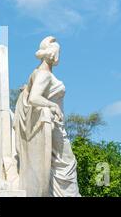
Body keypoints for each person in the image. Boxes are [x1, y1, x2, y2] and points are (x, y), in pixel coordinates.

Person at [13, 36, 81, 197]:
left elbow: (28, 94)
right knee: (67, 162)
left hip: (54, 124)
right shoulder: (44, 74)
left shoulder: (37, 72)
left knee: (60, 163)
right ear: (53, 54)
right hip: (53, 126)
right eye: (59, 52)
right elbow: (33, 98)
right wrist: (53, 105)